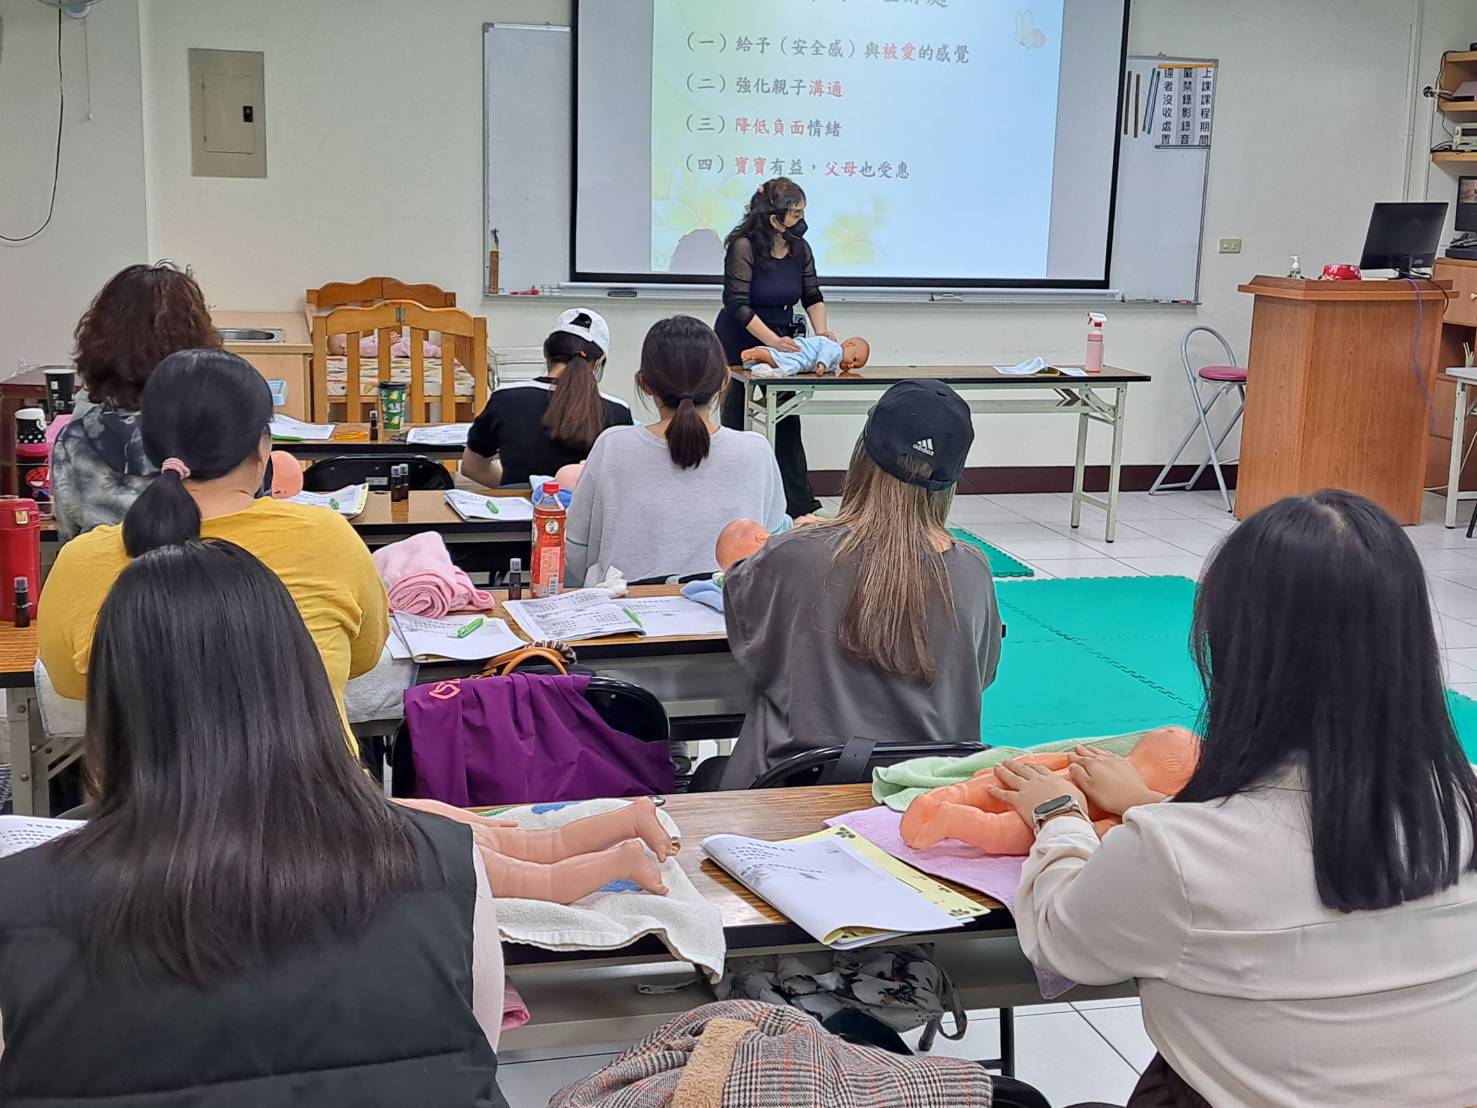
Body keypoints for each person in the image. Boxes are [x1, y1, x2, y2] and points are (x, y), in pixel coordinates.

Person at [991, 490, 1477, 1106]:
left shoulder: (1173, 853)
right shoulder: (1463, 800)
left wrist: (1059, 816)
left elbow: (1064, 942)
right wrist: (1151, 804)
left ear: (1238, 652)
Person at [0, 540, 508, 1106]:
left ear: (113, 705)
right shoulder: (445, 860)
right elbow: (473, 1056)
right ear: (302, 682)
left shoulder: (19, 903)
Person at [39, 349, 388, 729]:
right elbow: (364, 656)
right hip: (316, 769)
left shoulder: (81, 562)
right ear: (262, 447)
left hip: (148, 770)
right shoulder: (329, 540)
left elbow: (70, 684)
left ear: (150, 446)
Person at [719, 381, 1001, 788]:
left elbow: (747, 623)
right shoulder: (973, 570)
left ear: (861, 455)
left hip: (797, 793)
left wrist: (778, 547)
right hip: (923, 795)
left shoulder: (795, 555)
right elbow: (981, 675)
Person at [566, 315, 788, 587]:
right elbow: (770, 548)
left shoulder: (612, 446)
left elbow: (575, 551)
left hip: (623, 608)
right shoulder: (756, 450)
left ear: (644, 384)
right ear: (725, 380)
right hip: (725, 610)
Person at [51, 262, 222, 542]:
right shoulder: (226, 431)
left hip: (106, 568)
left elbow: (69, 535)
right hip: (212, 568)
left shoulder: (75, 439)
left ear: (98, 341)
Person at [715, 177, 830, 517]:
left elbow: (812, 295)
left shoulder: (800, 249)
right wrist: (772, 343)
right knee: (737, 422)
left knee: (787, 423)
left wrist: (822, 334)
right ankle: (732, 507)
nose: (801, 221)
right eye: (795, 214)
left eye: (802, 213)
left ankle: (799, 506)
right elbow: (737, 304)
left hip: (782, 343)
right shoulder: (743, 247)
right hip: (741, 340)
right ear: (773, 217)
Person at [461, 308, 632, 488]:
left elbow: (472, 467)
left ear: (546, 353)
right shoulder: (617, 411)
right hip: (586, 507)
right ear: (599, 363)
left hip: (517, 507)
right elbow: (623, 482)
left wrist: (522, 487)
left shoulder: (504, 398)